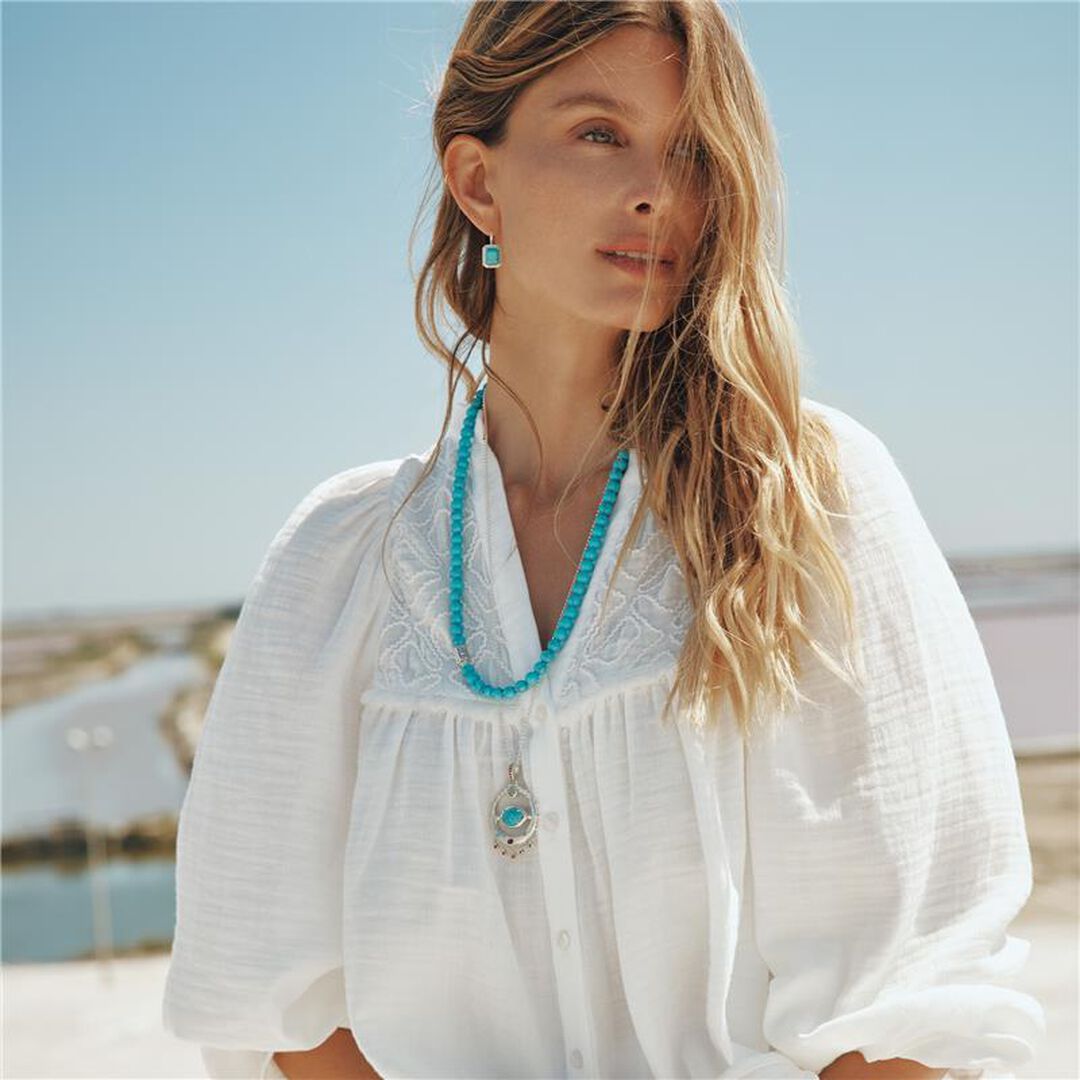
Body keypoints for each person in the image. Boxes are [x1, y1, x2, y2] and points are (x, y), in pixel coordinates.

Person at [161, 2, 1046, 1078]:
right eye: (599, 133)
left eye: (691, 151)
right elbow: (269, 996)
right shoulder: (338, 562)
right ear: (478, 181)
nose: (658, 192)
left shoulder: (807, 502)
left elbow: (909, 1004)